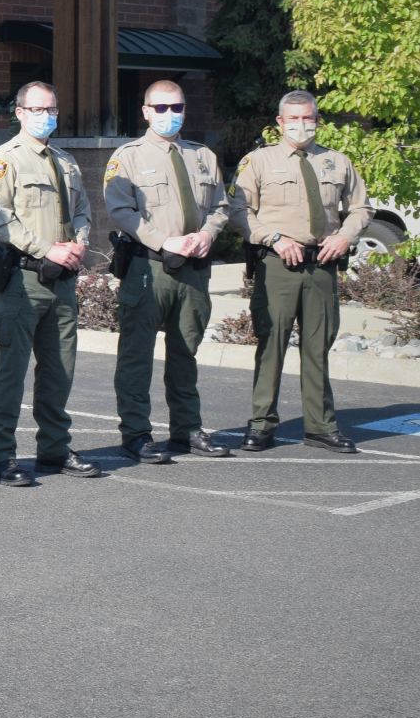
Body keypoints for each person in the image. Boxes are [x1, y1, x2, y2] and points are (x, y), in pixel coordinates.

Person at [229, 90, 371, 454]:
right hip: (279, 264)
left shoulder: (337, 162)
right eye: (293, 119)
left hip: (322, 263)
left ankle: (321, 426)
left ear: (318, 120)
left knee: (317, 346)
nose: (301, 125)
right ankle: (261, 425)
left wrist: (344, 236)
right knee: (271, 344)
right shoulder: (257, 161)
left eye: (308, 118)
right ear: (279, 122)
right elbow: (238, 210)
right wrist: (273, 238)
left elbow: (360, 208)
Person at [0, 81, 104, 486]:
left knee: (59, 370)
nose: (45, 116)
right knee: (11, 372)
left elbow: (82, 209)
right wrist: (46, 248)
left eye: (51, 109)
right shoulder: (4, 161)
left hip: (63, 281)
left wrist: (79, 243)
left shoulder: (65, 161)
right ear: (19, 113)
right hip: (23, 280)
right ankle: (0, 456)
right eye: (37, 110)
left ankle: (54, 447)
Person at [104, 81, 232, 463]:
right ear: (145, 111)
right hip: (149, 266)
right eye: (159, 108)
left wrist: (208, 234)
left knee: (185, 351)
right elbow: (119, 209)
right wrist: (164, 241)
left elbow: (222, 206)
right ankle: (137, 433)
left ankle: (187, 429)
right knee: (136, 355)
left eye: (175, 107)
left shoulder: (203, 156)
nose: (168, 114)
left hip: (193, 269)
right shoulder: (126, 156)